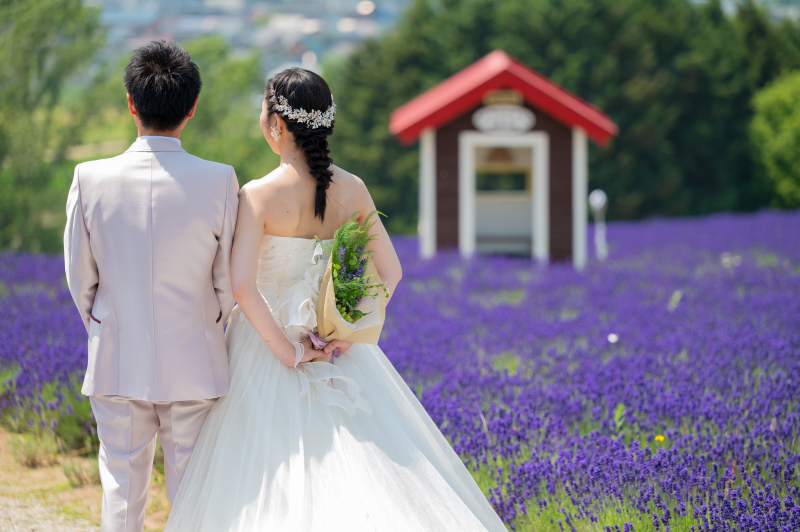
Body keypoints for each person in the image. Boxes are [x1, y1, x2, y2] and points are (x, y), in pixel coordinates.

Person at [164, 68, 506, 531]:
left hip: (266, 350)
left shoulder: (258, 195)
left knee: (262, 480)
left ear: (276, 125)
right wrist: (345, 336)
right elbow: (391, 272)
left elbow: (242, 285)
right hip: (337, 350)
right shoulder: (354, 188)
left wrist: (288, 353)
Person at [63, 41, 239, 532]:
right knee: (193, 494)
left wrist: (104, 324)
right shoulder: (220, 180)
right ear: (192, 107)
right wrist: (208, 327)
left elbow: (81, 278)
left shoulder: (90, 177)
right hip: (196, 361)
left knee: (120, 490)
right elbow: (227, 285)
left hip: (117, 355)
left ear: (130, 102)